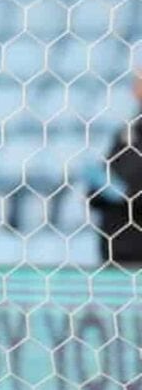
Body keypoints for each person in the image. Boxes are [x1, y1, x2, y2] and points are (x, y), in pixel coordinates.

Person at [87, 74, 142, 265]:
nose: (136, 86)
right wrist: (99, 188)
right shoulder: (126, 132)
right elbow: (99, 187)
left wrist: (126, 194)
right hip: (114, 247)